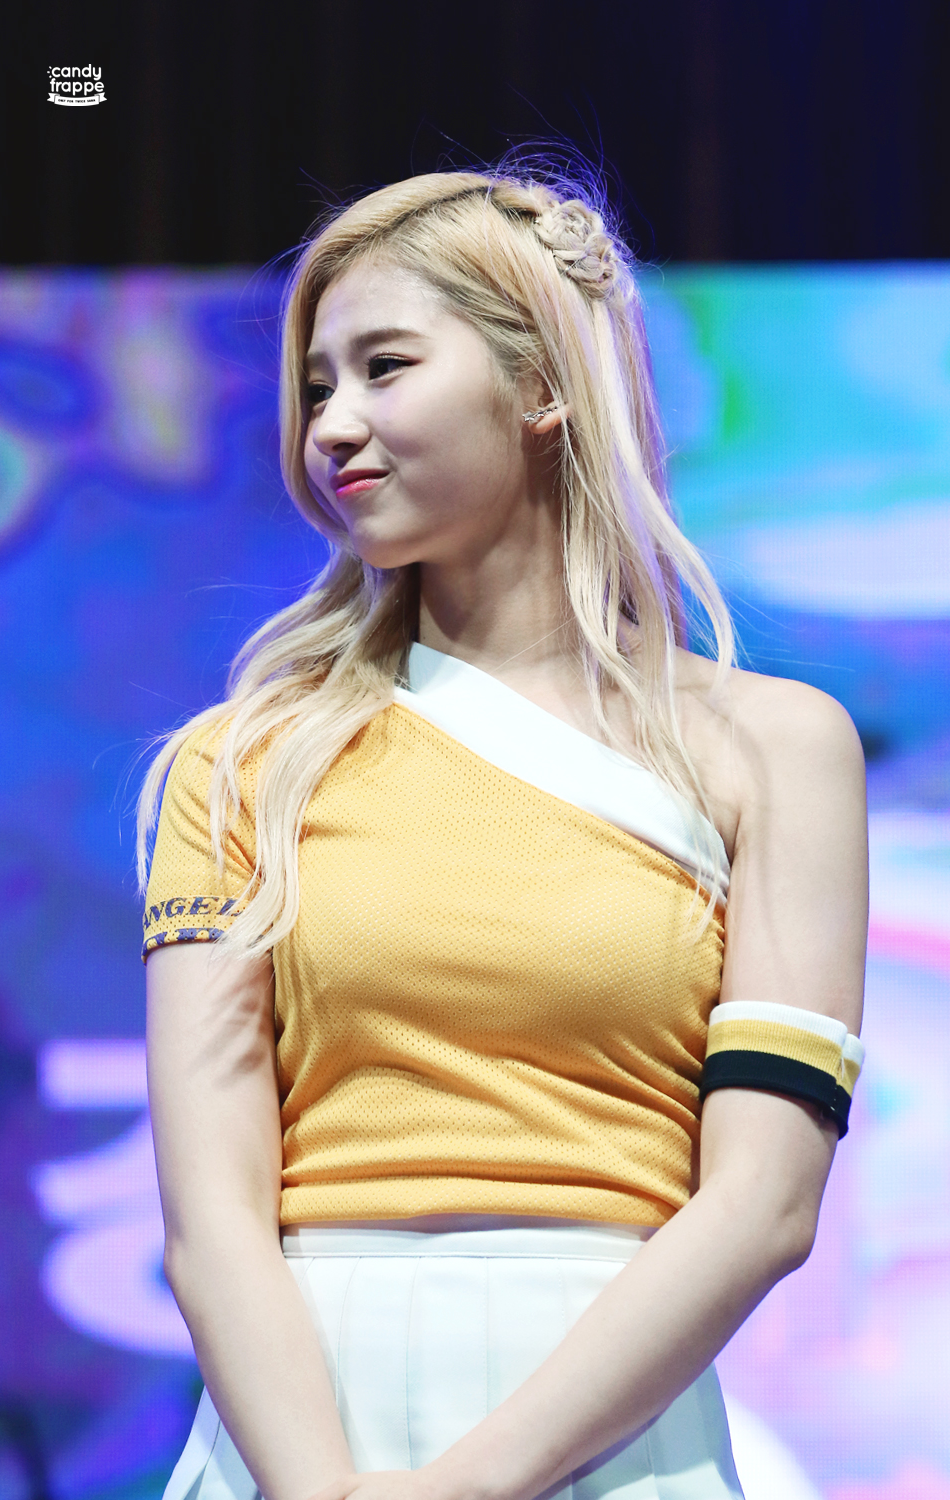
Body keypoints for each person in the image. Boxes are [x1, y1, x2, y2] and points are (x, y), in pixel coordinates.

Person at [138, 166, 868, 1500]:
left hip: (613, 1428)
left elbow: (765, 1204)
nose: (332, 425)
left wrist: (470, 1487)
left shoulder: (771, 749)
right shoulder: (241, 763)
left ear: (541, 385)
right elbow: (211, 1221)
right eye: (316, 386)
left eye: (385, 367)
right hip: (295, 1427)